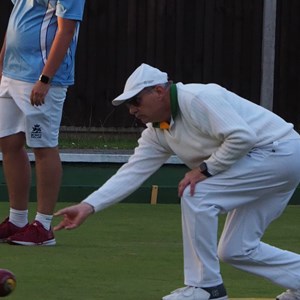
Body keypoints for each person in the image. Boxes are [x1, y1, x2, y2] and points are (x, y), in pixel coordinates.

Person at [54, 63, 300, 300]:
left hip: (278, 153)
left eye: (135, 101)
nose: (132, 110)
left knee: (196, 192)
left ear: (159, 91)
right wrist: (88, 206)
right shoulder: (157, 132)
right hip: (269, 163)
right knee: (236, 249)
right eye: (128, 105)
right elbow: (133, 172)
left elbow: (241, 137)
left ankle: (206, 287)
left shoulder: (196, 98)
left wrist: (205, 170)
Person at [0, 0, 86, 246]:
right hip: (11, 73)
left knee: (43, 145)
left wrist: (45, 78)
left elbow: (66, 30)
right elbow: (15, 20)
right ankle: (17, 220)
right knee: (9, 143)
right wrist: (1, 65)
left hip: (40, 77)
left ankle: (43, 226)